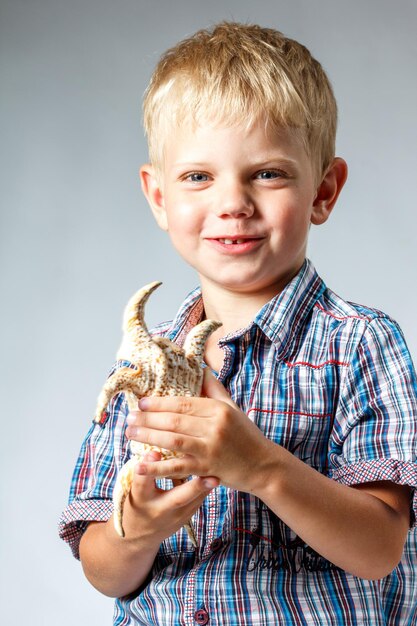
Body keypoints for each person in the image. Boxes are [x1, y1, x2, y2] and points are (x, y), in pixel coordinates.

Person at [59, 22, 417, 625]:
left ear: (323, 191)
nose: (233, 202)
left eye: (268, 173)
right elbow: (103, 568)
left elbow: (380, 549)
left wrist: (261, 466)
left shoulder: (361, 343)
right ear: (158, 197)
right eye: (198, 176)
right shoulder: (142, 365)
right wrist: (136, 529)